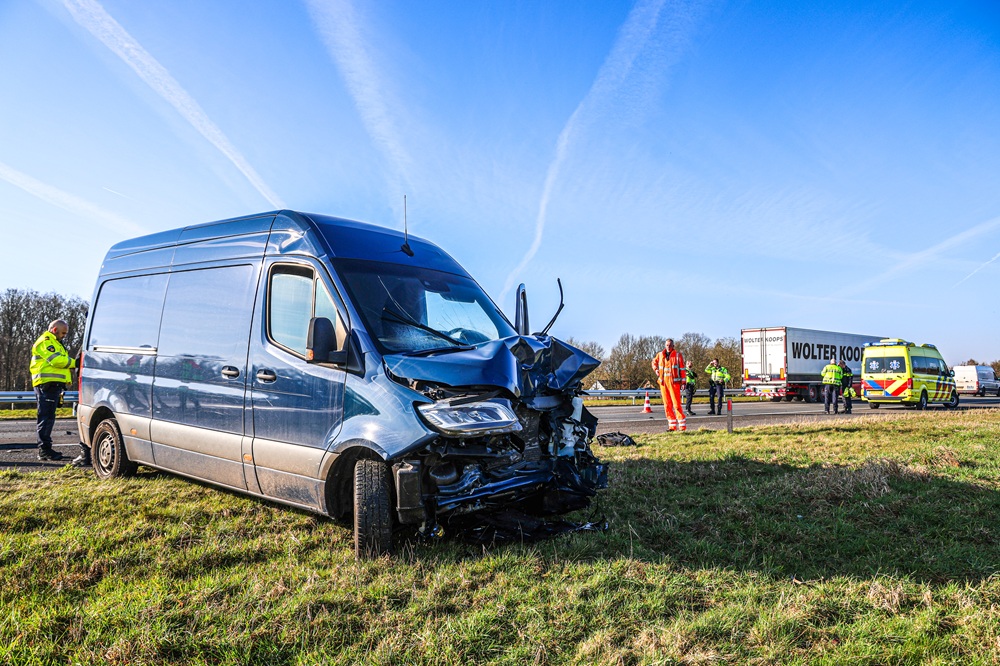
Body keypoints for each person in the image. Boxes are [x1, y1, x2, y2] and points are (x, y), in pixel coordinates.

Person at [30, 319, 78, 462]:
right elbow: (57, 361)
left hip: (52, 385)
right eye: (63, 332)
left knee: (48, 417)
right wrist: (77, 363)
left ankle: (45, 449)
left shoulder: (56, 343)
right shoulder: (46, 341)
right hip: (47, 385)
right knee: (45, 417)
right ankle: (44, 450)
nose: (65, 335)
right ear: (55, 330)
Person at [651, 338, 687, 431]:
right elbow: (653, 362)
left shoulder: (678, 356)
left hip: (674, 383)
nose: (668, 347)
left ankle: (682, 426)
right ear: (665, 346)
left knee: (676, 405)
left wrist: (683, 382)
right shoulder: (660, 355)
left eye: (670, 345)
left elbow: (682, 369)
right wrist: (656, 369)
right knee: (667, 405)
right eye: (667, 345)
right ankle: (672, 426)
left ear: (673, 346)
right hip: (663, 383)